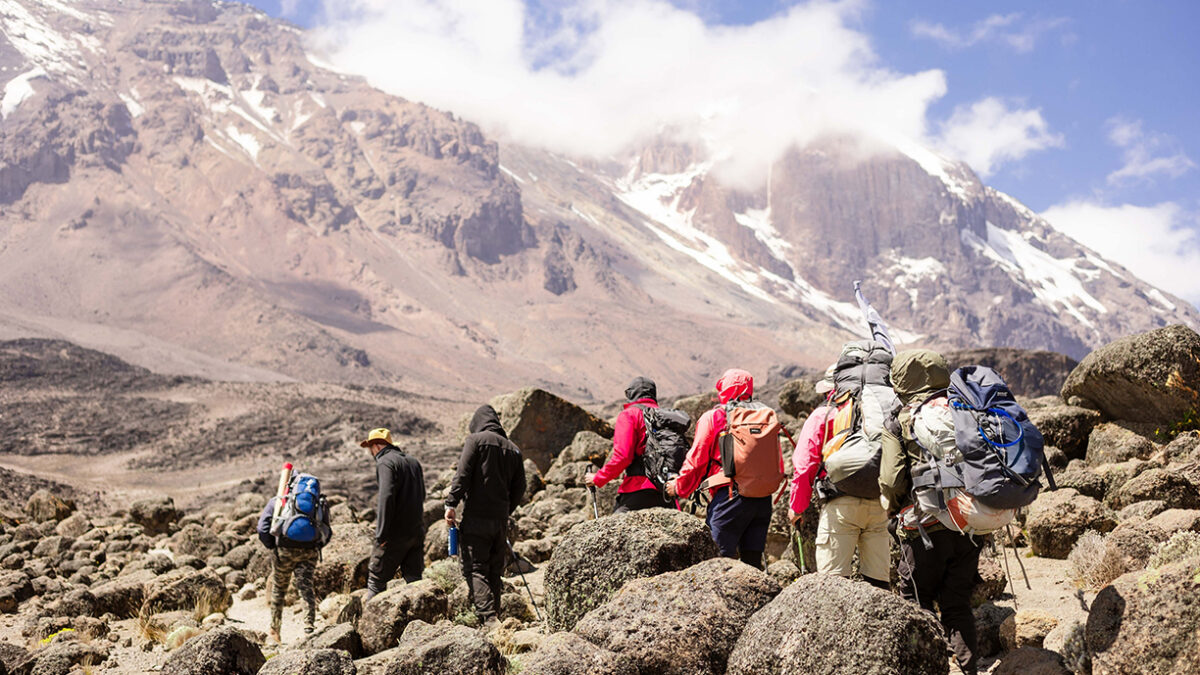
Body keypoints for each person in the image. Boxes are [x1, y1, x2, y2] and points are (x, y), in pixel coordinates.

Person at [880, 350, 983, 675]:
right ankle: (968, 669)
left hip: (923, 527)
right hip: (969, 522)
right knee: (957, 604)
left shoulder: (901, 419)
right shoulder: (966, 409)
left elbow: (891, 479)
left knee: (916, 600)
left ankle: (929, 669)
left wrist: (893, 510)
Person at [666, 368, 780, 570]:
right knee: (752, 564)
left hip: (729, 496)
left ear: (725, 389)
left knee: (716, 564)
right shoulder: (765, 416)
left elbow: (697, 458)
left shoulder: (715, 416)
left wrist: (679, 487)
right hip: (763, 498)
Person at [791, 363, 892, 590]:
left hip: (840, 503)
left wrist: (797, 507)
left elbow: (805, 465)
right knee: (878, 583)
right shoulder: (877, 411)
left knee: (833, 584)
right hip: (879, 502)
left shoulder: (825, 414)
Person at [445, 405, 526, 624]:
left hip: (476, 517)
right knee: (493, 571)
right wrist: (506, 510)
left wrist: (451, 503)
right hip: (500, 521)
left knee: (475, 569)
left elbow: (462, 475)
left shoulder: (476, 441)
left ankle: (489, 620)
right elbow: (520, 487)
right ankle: (496, 621)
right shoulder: (514, 449)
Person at [255, 473, 330, 643]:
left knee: (279, 589)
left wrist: (272, 545)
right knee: (306, 587)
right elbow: (327, 530)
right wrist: (316, 546)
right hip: (309, 550)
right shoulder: (318, 503)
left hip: (284, 549)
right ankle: (309, 627)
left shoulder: (280, 501)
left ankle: (275, 631)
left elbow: (262, 528)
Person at [589, 376, 675, 512]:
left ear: (631, 394)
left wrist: (598, 478)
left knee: (617, 526)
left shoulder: (630, 415)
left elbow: (623, 456)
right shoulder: (666, 417)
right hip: (666, 490)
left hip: (638, 488)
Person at [361, 427, 426, 601]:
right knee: (414, 582)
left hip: (394, 534)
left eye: (370, 448)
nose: (370, 452)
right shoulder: (413, 462)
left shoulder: (385, 462)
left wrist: (381, 534)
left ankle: (369, 618)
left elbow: (386, 498)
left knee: (376, 581)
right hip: (416, 532)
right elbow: (422, 495)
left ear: (375, 446)